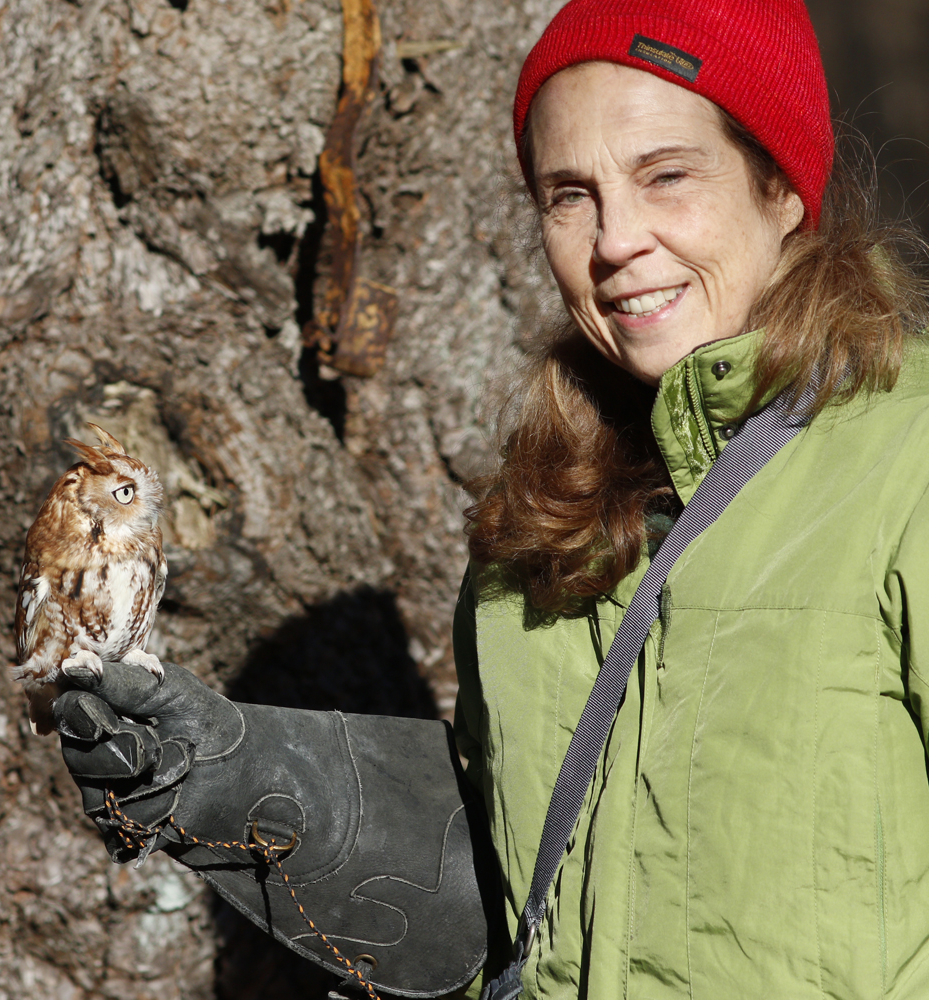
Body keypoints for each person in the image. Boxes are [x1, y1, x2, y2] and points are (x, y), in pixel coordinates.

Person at [54, 0, 929, 997]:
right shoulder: (541, 524)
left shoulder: (908, 462)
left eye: (666, 176)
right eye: (568, 195)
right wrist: (259, 789)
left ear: (779, 187)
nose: (616, 240)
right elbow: (530, 890)